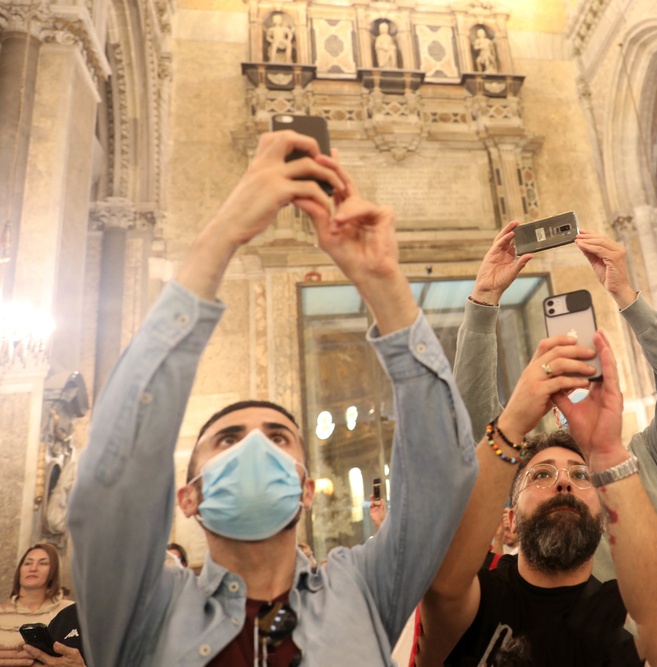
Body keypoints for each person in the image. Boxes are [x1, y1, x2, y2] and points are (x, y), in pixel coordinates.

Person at [66, 131, 478, 665]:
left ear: (306, 490)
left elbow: (441, 472)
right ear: (189, 497)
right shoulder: (143, 608)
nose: (256, 445)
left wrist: (384, 284)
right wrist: (223, 234)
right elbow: (112, 479)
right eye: (229, 439)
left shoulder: (367, 589)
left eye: (279, 437)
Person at [438, 223, 657, 662]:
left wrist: (627, 297)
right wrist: (484, 301)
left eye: (586, 372)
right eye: (560, 379)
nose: (564, 483)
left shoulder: (654, 458)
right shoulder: (534, 478)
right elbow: (479, 425)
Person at [418, 327, 657, 665]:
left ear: (605, 521)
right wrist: (514, 421)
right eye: (541, 475)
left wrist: (607, 453)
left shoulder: (618, 618)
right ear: (512, 521)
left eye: (580, 475)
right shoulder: (480, 601)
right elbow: (442, 587)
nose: (564, 484)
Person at [0, 543, 85, 667]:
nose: (33, 568)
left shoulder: (69, 614)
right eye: (28, 563)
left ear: (53, 571)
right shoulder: (2, 612)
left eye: (43, 563)